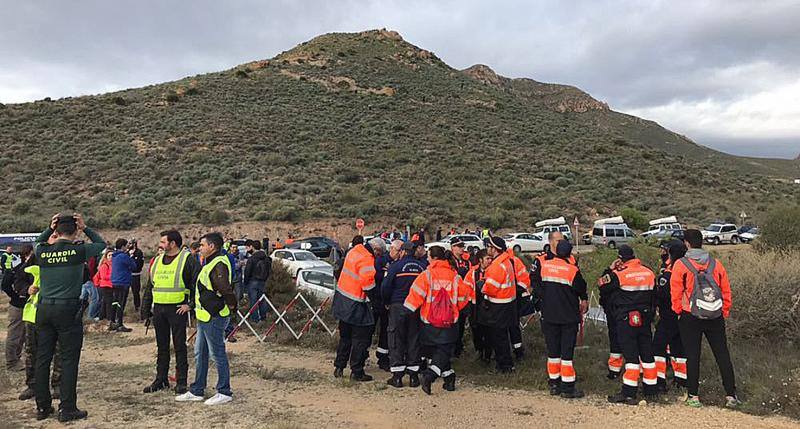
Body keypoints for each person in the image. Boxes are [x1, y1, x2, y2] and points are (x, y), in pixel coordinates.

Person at [34, 213, 105, 422]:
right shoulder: (78, 251)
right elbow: (100, 244)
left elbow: (38, 242)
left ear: (56, 231)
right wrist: (86, 228)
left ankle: (42, 407)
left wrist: (49, 228)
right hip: (67, 310)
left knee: (42, 358)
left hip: (44, 308)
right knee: (68, 359)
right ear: (74, 232)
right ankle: (67, 408)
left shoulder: (43, 251)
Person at [670, 229, 740, 408]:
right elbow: (726, 290)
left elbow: (676, 292)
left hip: (690, 315)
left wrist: (678, 311)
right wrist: (724, 311)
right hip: (715, 315)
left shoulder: (681, 265)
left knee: (692, 356)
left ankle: (693, 396)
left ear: (686, 243)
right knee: (722, 354)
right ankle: (731, 396)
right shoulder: (716, 264)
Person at [176, 232, 238, 405]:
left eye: (202, 245)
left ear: (212, 246)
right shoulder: (209, 262)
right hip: (204, 316)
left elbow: (225, 289)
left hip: (214, 317)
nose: (200, 248)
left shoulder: (218, 264)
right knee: (200, 353)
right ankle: (197, 390)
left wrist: (233, 307)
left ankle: (224, 391)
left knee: (216, 353)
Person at [403, 246, 471, 395]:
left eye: (428, 256)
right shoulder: (455, 277)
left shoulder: (427, 275)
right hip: (449, 321)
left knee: (438, 351)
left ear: (433, 258)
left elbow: (415, 295)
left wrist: (406, 312)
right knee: (444, 351)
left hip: (429, 321)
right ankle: (447, 377)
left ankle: (433, 376)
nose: (427, 259)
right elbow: (464, 298)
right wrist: (454, 309)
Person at [141, 230, 200, 395]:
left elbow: (197, 284)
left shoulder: (187, 259)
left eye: (163, 242)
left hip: (178, 310)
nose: (160, 245)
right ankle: (161, 379)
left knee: (180, 346)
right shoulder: (158, 260)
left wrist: (191, 305)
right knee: (162, 346)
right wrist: (145, 309)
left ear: (172, 243)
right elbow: (150, 286)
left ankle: (181, 382)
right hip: (159, 309)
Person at [599, 245, 658, 405]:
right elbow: (654, 296)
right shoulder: (649, 272)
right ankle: (651, 390)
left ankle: (629, 392)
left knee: (631, 355)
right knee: (647, 353)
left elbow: (602, 285)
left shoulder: (618, 274)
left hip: (627, 318)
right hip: (645, 318)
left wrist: (609, 269)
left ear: (620, 258)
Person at [532, 240, 588, 399]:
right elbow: (581, 288)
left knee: (553, 352)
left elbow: (536, 285)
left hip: (549, 315)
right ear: (569, 254)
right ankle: (568, 387)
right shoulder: (572, 270)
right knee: (566, 354)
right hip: (568, 317)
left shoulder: (545, 266)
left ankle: (554, 383)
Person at [331, 237, 385, 381]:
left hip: (342, 300)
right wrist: (377, 301)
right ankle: (357, 371)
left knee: (345, 337)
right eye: (379, 254)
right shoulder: (367, 259)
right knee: (360, 339)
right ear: (376, 250)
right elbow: (368, 285)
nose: (378, 257)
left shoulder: (354, 251)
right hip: (356, 304)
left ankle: (339, 366)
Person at [381, 241, 425, 388]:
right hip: (416, 307)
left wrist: (387, 301)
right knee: (414, 338)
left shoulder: (396, 266)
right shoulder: (422, 267)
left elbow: (385, 286)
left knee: (396, 338)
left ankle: (397, 376)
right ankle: (414, 377)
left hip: (398, 306)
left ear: (403, 252)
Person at [19, 258, 63, 401]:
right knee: (32, 352)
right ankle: (32, 385)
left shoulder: (65, 258)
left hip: (57, 314)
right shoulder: (33, 261)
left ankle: (58, 384)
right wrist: (26, 289)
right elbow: (17, 279)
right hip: (33, 316)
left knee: (59, 351)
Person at [652, 240, 687, 391]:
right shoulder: (689, 268)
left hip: (669, 315)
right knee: (678, 348)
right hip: (684, 315)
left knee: (657, 348)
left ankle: (660, 381)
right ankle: (682, 380)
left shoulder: (669, 272)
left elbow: (663, 294)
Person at [481, 236, 517, 373]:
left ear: (494, 249)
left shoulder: (496, 266)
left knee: (499, 338)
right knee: (503, 337)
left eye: (489, 246)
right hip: (508, 304)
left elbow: (490, 288)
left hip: (498, 305)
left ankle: (504, 366)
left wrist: (482, 287)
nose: (487, 249)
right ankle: (506, 364)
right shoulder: (506, 262)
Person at [372, 240, 401, 371]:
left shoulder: (399, 263)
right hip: (379, 300)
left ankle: (383, 358)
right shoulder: (382, 260)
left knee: (386, 331)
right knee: (372, 329)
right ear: (393, 249)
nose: (400, 253)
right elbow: (376, 276)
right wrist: (387, 273)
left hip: (390, 302)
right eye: (398, 250)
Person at [3, 244, 31, 371]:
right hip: (17, 306)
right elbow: (5, 285)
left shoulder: (30, 268)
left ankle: (17, 359)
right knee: (15, 334)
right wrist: (16, 296)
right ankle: (11, 362)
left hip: (28, 306)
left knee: (23, 334)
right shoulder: (17, 269)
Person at [464, 249, 493, 362]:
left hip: (490, 306)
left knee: (489, 332)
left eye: (491, 258)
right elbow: (466, 287)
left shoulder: (494, 271)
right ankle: (479, 351)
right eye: (487, 259)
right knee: (476, 331)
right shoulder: (472, 272)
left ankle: (488, 354)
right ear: (480, 260)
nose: (490, 261)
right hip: (475, 306)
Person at [111, 239, 137, 332]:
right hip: (123, 282)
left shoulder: (114, 256)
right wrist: (131, 255)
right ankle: (120, 324)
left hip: (115, 281)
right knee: (121, 303)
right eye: (126, 246)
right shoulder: (124, 256)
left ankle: (112, 322)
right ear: (122, 246)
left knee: (115, 302)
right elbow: (134, 266)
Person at [242, 240, 271, 323]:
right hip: (262, 281)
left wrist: (245, 283)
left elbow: (247, 272)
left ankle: (255, 320)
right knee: (262, 300)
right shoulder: (266, 258)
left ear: (253, 247)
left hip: (253, 281)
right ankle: (263, 318)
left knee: (253, 302)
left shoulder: (252, 258)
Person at [93, 250, 115, 329]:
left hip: (110, 285)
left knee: (105, 301)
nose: (111, 257)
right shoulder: (104, 265)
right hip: (105, 286)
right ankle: (109, 318)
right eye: (109, 255)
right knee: (108, 302)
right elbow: (104, 276)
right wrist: (113, 276)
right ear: (106, 256)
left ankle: (102, 316)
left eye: (112, 255)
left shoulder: (113, 264)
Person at [128, 239, 144, 313]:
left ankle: (137, 307)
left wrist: (132, 257)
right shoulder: (127, 252)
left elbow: (139, 264)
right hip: (127, 274)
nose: (129, 245)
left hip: (135, 275)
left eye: (130, 243)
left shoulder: (139, 252)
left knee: (136, 292)